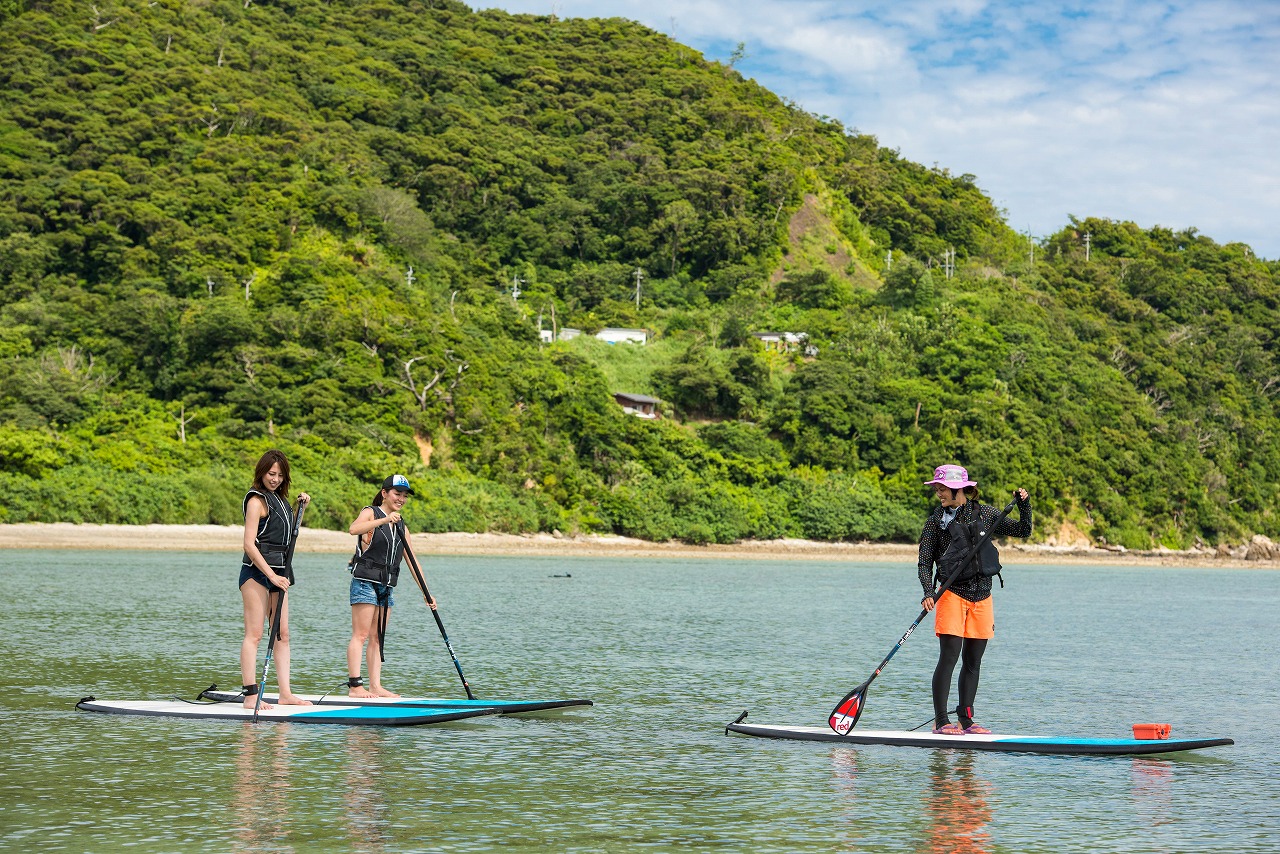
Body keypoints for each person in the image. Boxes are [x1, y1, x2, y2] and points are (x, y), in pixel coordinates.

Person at [917, 464, 1031, 735]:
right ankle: (942, 721)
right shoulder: (935, 522)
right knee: (949, 657)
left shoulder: (987, 513)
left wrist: (1025, 505)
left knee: (973, 662)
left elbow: (1023, 530)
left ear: (959, 489)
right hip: (952, 594)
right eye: (936, 489)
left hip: (982, 595)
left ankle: (966, 720)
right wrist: (927, 591)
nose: (938, 494)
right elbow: (924, 563)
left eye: (941, 488)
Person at [346, 474, 435, 699]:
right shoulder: (372, 512)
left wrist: (426, 592)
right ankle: (355, 687)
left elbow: (412, 561)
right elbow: (353, 529)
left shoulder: (401, 526)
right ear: (385, 493)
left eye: (404, 495)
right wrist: (385, 520)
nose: (401, 498)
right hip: (365, 581)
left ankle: (375, 686)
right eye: (397, 493)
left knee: (378, 637)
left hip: (386, 587)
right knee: (361, 634)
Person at [239, 449, 312, 710]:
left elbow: (283, 531)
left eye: (280, 475)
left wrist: (301, 506)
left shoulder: (280, 500)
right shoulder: (256, 501)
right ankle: (250, 696)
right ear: (262, 472)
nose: (275, 479)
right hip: (257, 574)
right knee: (255, 634)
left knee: (282, 634)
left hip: (280, 573)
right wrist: (270, 575)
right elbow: (249, 544)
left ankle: (286, 693)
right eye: (271, 474)